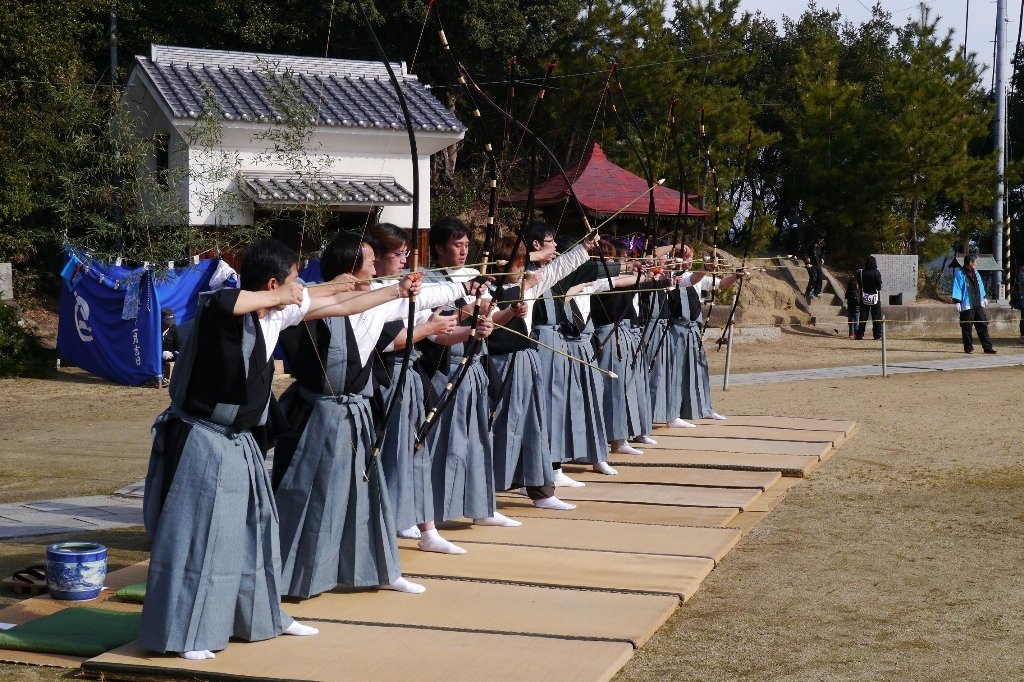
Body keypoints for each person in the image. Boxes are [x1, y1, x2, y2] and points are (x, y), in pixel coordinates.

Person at [140, 239, 375, 660]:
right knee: (197, 540)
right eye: (291, 279)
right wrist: (288, 294)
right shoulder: (220, 313)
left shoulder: (273, 317)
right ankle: (187, 632)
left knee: (255, 534)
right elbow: (225, 300)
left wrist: (392, 290)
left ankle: (263, 618)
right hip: (202, 441)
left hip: (239, 444)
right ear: (271, 284)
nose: (298, 285)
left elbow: (336, 303)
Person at [273, 232, 484, 599]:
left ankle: (379, 569)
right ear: (352, 269)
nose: (376, 268)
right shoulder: (309, 304)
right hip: (315, 413)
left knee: (366, 494)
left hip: (353, 413)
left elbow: (423, 297)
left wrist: (464, 283)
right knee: (307, 495)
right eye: (370, 262)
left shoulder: (376, 302)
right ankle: (291, 577)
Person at [363, 224, 466, 555]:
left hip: (409, 377)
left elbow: (438, 334)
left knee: (416, 449)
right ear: (375, 257)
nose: (403, 261)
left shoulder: (400, 288)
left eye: (406, 254)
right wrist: (431, 322)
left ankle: (427, 528)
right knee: (389, 453)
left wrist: (471, 329)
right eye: (397, 255)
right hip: (384, 379)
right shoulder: (370, 292)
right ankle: (390, 525)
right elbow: (389, 340)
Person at [417, 217, 520, 528]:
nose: (463, 251)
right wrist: (472, 321)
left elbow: (490, 317)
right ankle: (428, 512)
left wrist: (506, 314)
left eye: (466, 245)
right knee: (441, 440)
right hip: (444, 368)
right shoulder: (428, 281)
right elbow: (439, 330)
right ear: (438, 247)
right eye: (456, 245)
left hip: (474, 366)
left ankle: (480, 506)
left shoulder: (474, 275)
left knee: (477, 438)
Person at [487, 233, 594, 510]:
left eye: (524, 263)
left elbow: (558, 268)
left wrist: (583, 246)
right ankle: (487, 494)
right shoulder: (482, 289)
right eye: (517, 263)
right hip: (495, 366)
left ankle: (541, 490)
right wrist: (521, 284)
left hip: (524, 361)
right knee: (497, 428)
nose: (522, 268)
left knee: (533, 425)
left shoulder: (530, 285)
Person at [951, 254, 996, 354]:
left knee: (983, 325)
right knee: (967, 327)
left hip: (978, 304)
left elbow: (981, 286)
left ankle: (987, 347)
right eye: (975, 262)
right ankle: (968, 348)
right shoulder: (960, 274)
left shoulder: (976, 273)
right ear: (970, 263)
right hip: (967, 304)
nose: (976, 264)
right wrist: (957, 301)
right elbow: (957, 288)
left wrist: (984, 297)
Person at [855, 257, 883, 340]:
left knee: (863, 316)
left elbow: (860, 286)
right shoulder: (877, 273)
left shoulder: (861, 273)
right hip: (875, 297)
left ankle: (860, 334)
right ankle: (877, 335)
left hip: (864, 296)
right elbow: (879, 287)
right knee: (876, 316)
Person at [159, 308, 180, 385]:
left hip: (170, 357)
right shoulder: (155, 330)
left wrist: (175, 353)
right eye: (166, 323)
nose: (169, 325)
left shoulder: (173, 328)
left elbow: (179, 346)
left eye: (170, 322)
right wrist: (161, 353)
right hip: (157, 360)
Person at [804, 230, 825, 301]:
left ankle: (816, 291)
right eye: (821, 238)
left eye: (823, 238)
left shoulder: (822, 243)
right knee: (813, 276)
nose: (822, 239)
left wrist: (822, 258)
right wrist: (807, 258)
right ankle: (808, 291)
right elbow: (804, 250)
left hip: (818, 263)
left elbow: (822, 252)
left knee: (820, 276)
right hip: (811, 263)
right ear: (817, 237)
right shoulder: (811, 242)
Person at [844, 274, 861, 338]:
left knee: (851, 321)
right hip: (856, 309)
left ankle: (851, 333)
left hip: (850, 309)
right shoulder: (857, 293)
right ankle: (855, 333)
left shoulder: (848, 293)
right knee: (856, 321)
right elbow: (858, 302)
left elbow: (847, 299)